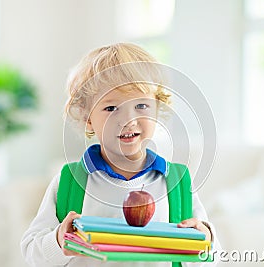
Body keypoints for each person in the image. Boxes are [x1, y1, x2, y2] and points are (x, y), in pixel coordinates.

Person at [21, 43, 220, 267]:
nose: (127, 120)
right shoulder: (70, 182)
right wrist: (58, 239)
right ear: (88, 118)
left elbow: (211, 258)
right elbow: (32, 253)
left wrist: (205, 239)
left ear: (157, 108)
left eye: (141, 105)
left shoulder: (177, 183)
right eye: (111, 108)